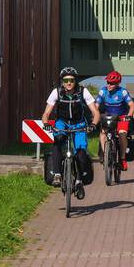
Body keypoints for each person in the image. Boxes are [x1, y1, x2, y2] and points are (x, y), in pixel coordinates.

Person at [41, 66, 99, 197]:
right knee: (57, 142)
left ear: (75, 81)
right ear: (62, 81)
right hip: (62, 123)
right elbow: (46, 113)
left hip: (79, 124)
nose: (69, 83)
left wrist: (93, 124)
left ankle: (79, 180)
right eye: (66, 80)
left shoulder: (83, 92)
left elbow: (95, 112)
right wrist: (46, 123)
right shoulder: (56, 92)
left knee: (80, 153)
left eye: (71, 80)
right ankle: (57, 174)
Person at [95, 71, 134, 170]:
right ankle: (105, 153)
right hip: (108, 116)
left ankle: (122, 159)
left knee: (122, 134)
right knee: (102, 133)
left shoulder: (122, 92)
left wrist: (129, 116)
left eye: (112, 83)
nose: (109, 85)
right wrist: (95, 115)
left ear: (118, 83)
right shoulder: (103, 91)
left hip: (121, 117)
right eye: (108, 83)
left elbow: (132, 105)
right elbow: (96, 105)